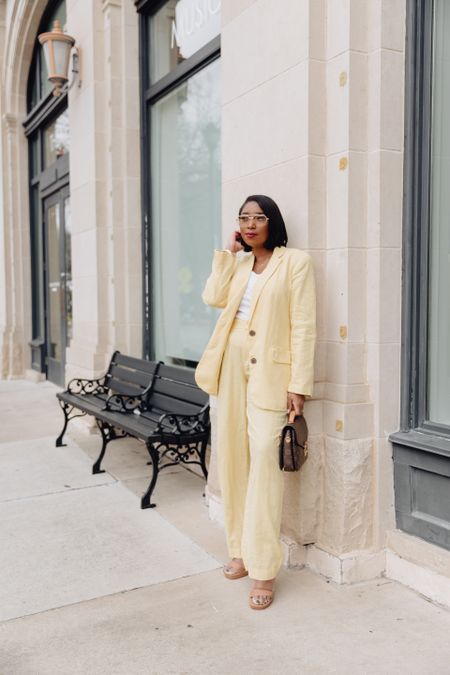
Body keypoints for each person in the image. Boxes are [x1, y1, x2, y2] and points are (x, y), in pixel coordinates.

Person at [195, 195, 316, 610]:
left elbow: (303, 325)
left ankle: (264, 568)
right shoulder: (240, 263)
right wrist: (227, 254)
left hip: (271, 374)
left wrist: (298, 385)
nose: (250, 224)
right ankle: (240, 552)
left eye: (258, 217)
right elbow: (212, 297)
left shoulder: (295, 262)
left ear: (272, 222)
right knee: (232, 459)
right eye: (243, 218)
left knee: (265, 460)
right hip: (231, 369)